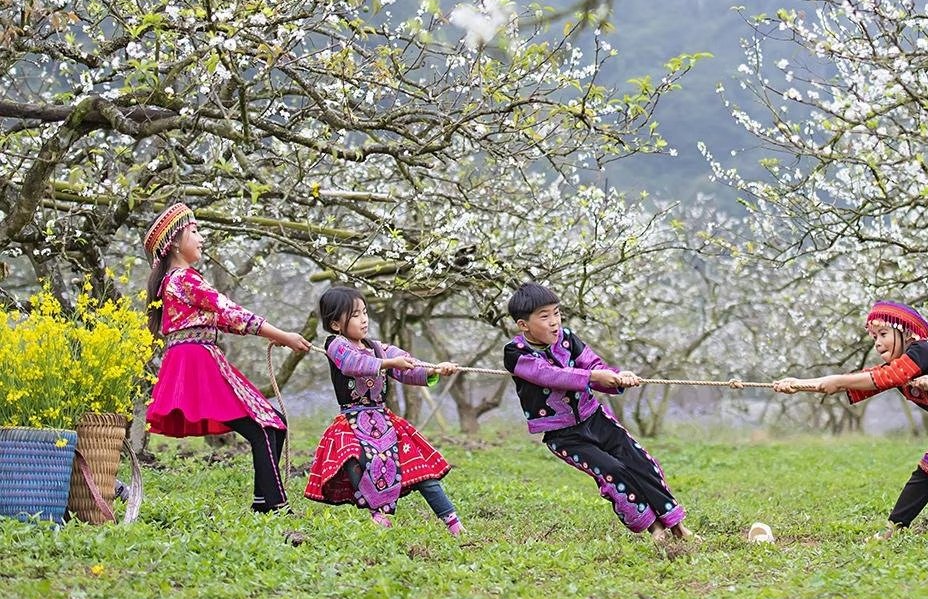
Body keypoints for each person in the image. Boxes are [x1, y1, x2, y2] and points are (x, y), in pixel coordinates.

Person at [773, 300, 928, 538]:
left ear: (906, 333)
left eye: (883, 335)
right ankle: (895, 528)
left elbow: (882, 377)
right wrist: (798, 384)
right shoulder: (897, 368)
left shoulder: (921, 351)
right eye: (874, 338)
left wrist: (837, 380)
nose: (877, 343)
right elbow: (857, 381)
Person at [143, 202, 311, 512]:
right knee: (263, 426)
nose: (202, 238)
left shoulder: (177, 283)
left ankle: (264, 503)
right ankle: (274, 506)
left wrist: (276, 335)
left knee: (275, 423)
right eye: (195, 231)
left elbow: (225, 320)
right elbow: (229, 310)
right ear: (175, 241)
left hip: (199, 358)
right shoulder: (184, 279)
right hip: (197, 363)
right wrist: (282, 335)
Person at [503, 282, 692, 541]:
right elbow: (549, 375)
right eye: (544, 316)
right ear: (523, 325)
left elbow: (593, 364)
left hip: (596, 418)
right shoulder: (515, 353)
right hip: (563, 435)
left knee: (640, 462)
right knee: (613, 470)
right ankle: (655, 529)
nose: (554, 322)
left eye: (556, 313)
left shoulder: (568, 339)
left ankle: (677, 526)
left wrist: (616, 376)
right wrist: (593, 376)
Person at [304, 286, 465, 535]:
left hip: (384, 420)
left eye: (365, 312)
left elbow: (408, 366)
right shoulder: (335, 345)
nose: (364, 319)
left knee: (420, 469)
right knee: (354, 459)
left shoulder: (379, 348)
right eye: (355, 314)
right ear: (336, 324)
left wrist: (434, 369)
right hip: (352, 422)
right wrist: (388, 363)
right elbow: (352, 364)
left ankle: (453, 523)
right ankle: (378, 513)